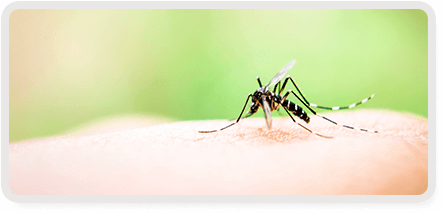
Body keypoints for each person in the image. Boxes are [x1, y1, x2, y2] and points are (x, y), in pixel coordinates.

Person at [8, 110, 428, 195]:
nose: (260, 104)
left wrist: (298, 121)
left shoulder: (272, 97)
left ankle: (319, 118)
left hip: (303, 118)